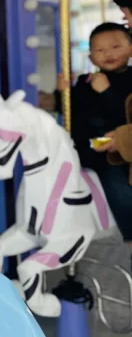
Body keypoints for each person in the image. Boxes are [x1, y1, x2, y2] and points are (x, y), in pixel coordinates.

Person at [55, 22, 132, 242]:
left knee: (117, 182)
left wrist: (107, 92)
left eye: (115, 47)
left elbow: (125, 118)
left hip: (115, 151)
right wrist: (62, 94)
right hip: (85, 147)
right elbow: (70, 112)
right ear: (91, 58)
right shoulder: (84, 82)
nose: (108, 53)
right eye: (99, 50)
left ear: (131, 48)